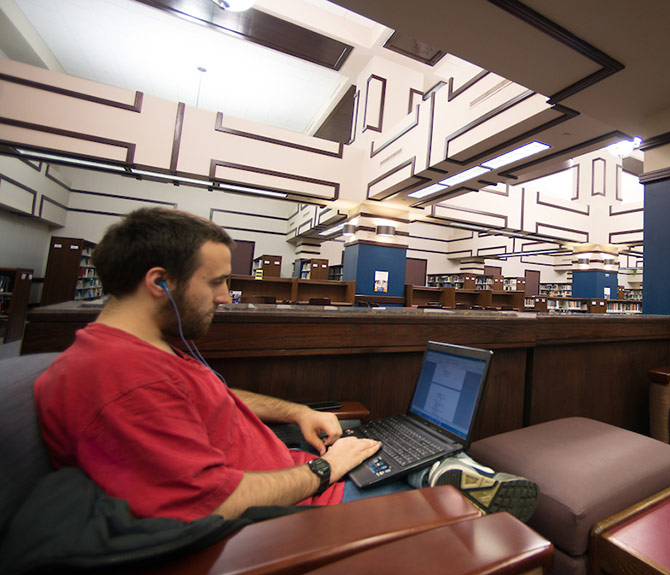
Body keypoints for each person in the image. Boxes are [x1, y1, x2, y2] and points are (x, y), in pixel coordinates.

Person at [34, 207, 536, 523]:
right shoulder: (120, 381)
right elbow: (216, 503)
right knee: (473, 516)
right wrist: (326, 468)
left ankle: (434, 468)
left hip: (300, 472)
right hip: (298, 510)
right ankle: (444, 477)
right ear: (159, 281)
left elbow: (210, 399)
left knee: (398, 449)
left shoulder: (141, 351)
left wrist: (295, 411)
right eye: (215, 283)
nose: (227, 297)